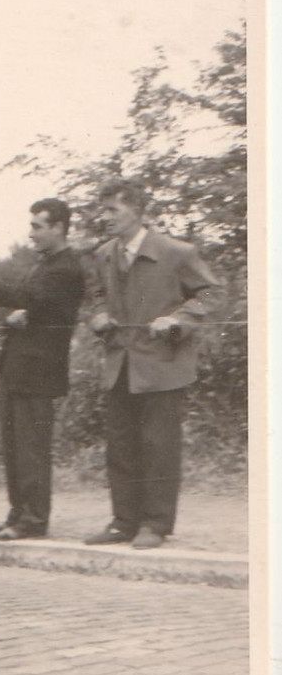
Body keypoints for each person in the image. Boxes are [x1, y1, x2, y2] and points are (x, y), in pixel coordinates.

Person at [84, 178, 222, 549]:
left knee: (159, 446)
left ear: (138, 211)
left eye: (113, 209)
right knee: (121, 446)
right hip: (120, 364)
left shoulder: (176, 251)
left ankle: (156, 524)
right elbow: (96, 296)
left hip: (163, 364)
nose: (105, 216)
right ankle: (123, 521)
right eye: (103, 208)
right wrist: (97, 316)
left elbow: (211, 293)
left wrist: (178, 319)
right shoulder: (103, 254)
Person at [0, 198, 85, 539]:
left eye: (37, 226)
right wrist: (21, 315)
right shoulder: (46, 264)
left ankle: (33, 519)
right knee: (14, 446)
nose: (30, 233)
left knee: (31, 446)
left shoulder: (66, 268)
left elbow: (26, 297)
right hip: (19, 368)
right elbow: (33, 305)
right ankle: (19, 513)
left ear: (58, 228)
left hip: (39, 371)